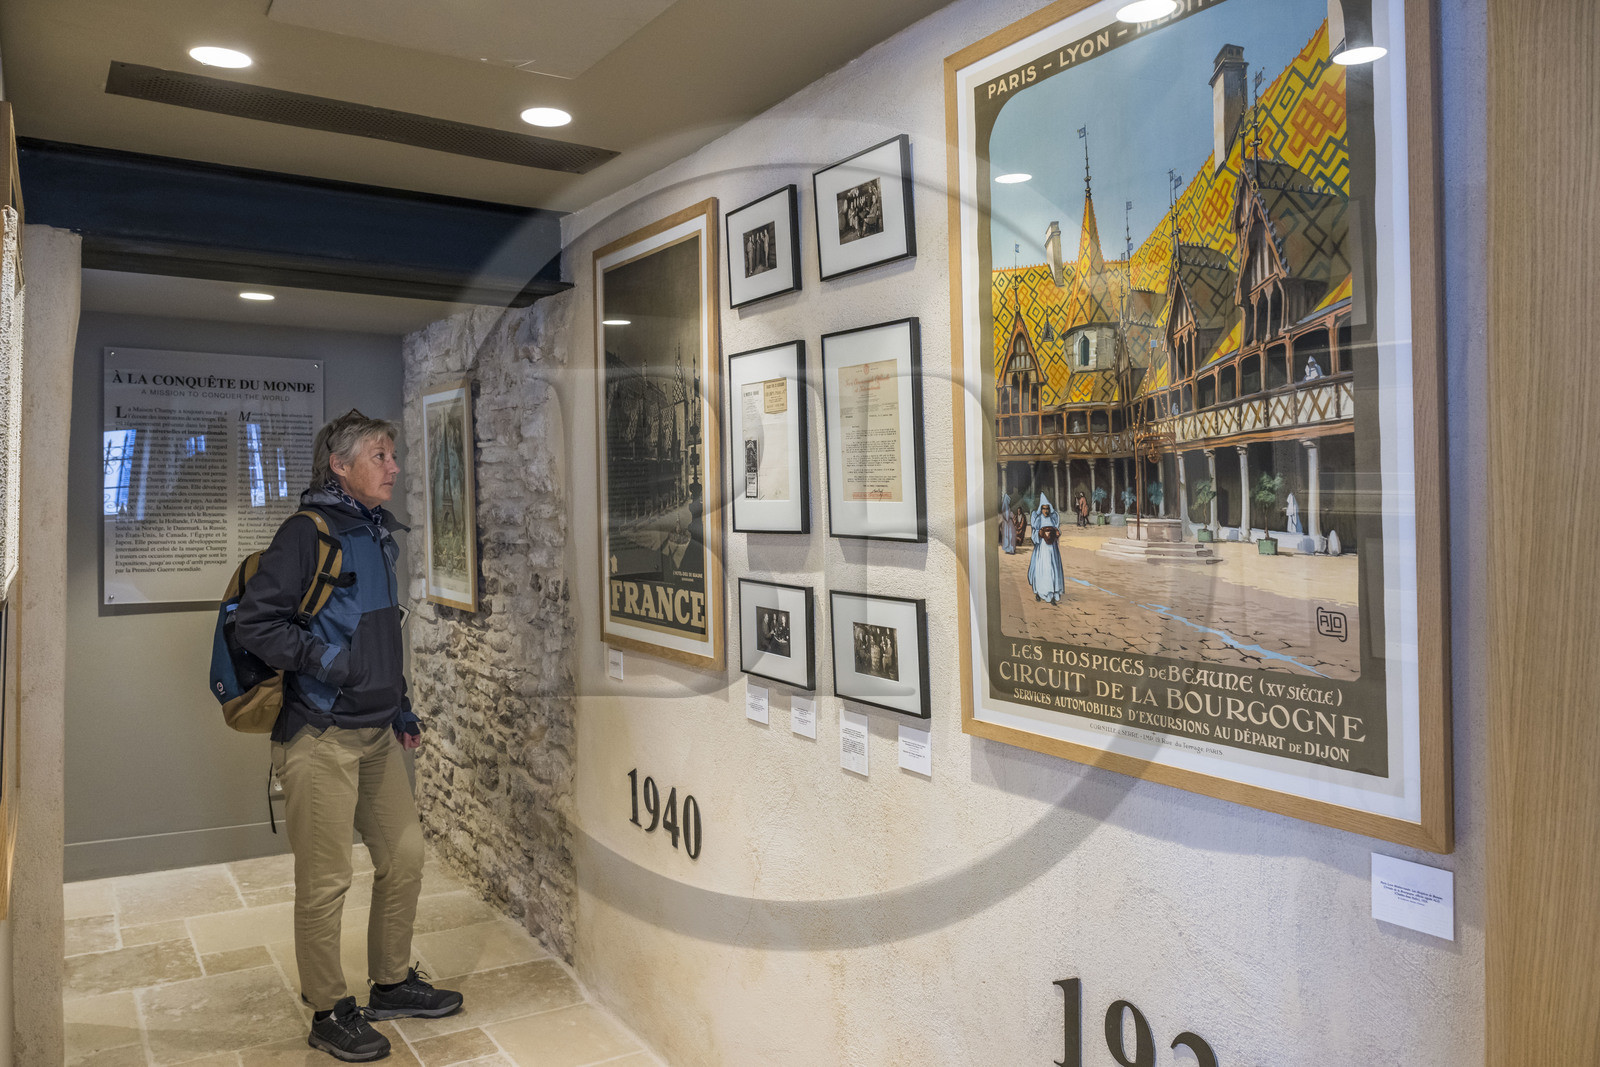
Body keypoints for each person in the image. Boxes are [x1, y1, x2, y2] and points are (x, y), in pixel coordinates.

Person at [236, 410, 463, 1062]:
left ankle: (390, 981)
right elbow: (258, 623)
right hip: (321, 736)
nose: (394, 466)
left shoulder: (375, 531)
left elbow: (381, 634)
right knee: (327, 879)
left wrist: (402, 706)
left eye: (392, 455)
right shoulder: (304, 534)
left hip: (375, 733)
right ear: (339, 464)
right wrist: (329, 665)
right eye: (380, 454)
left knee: (407, 857)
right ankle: (327, 1008)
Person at [1028, 493, 1065, 605]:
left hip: (1052, 550)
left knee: (1053, 569)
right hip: (1042, 550)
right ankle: (1040, 592)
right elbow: (1034, 534)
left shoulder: (1053, 519)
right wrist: (1038, 534)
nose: (1046, 511)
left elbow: (1057, 530)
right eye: (1044, 508)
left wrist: (1058, 533)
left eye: (1047, 508)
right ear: (1041, 509)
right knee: (1043, 570)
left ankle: (1053, 594)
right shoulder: (1038, 519)